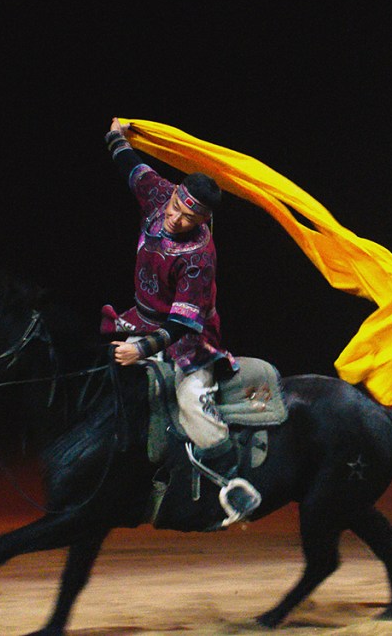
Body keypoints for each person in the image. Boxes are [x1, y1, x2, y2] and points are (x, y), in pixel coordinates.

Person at [103, 117, 261, 524]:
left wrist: (141, 349)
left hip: (189, 338)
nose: (175, 219)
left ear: (202, 220)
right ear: (172, 194)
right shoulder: (159, 196)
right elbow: (132, 168)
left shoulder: (198, 257)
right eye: (175, 208)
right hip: (139, 319)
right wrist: (117, 136)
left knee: (191, 401)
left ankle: (234, 485)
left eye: (188, 218)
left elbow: (182, 324)